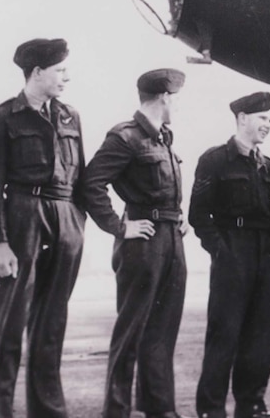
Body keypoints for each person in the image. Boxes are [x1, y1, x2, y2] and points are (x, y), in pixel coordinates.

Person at [0, 38, 86, 418]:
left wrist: (77, 224)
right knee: (10, 325)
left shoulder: (70, 116)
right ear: (37, 72)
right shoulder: (1, 118)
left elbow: (80, 177)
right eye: (60, 71)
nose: (66, 77)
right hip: (23, 215)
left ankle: (48, 411)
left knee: (51, 325)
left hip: (64, 216)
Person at [83, 68, 188, 418]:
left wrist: (179, 215)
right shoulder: (125, 137)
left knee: (163, 330)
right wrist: (118, 227)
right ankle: (116, 411)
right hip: (143, 244)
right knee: (131, 330)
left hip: (172, 239)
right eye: (176, 98)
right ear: (165, 98)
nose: (177, 104)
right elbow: (91, 183)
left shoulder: (164, 138)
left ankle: (160, 408)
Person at [189, 92, 270, 418]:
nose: (268, 125)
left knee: (261, 333)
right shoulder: (215, 160)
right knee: (224, 333)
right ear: (242, 118)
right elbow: (198, 215)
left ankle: (251, 404)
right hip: (232, 249)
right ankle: (211, 409)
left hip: (262, 251)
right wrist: (220, 250)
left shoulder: (268, 165)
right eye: (262, 118)